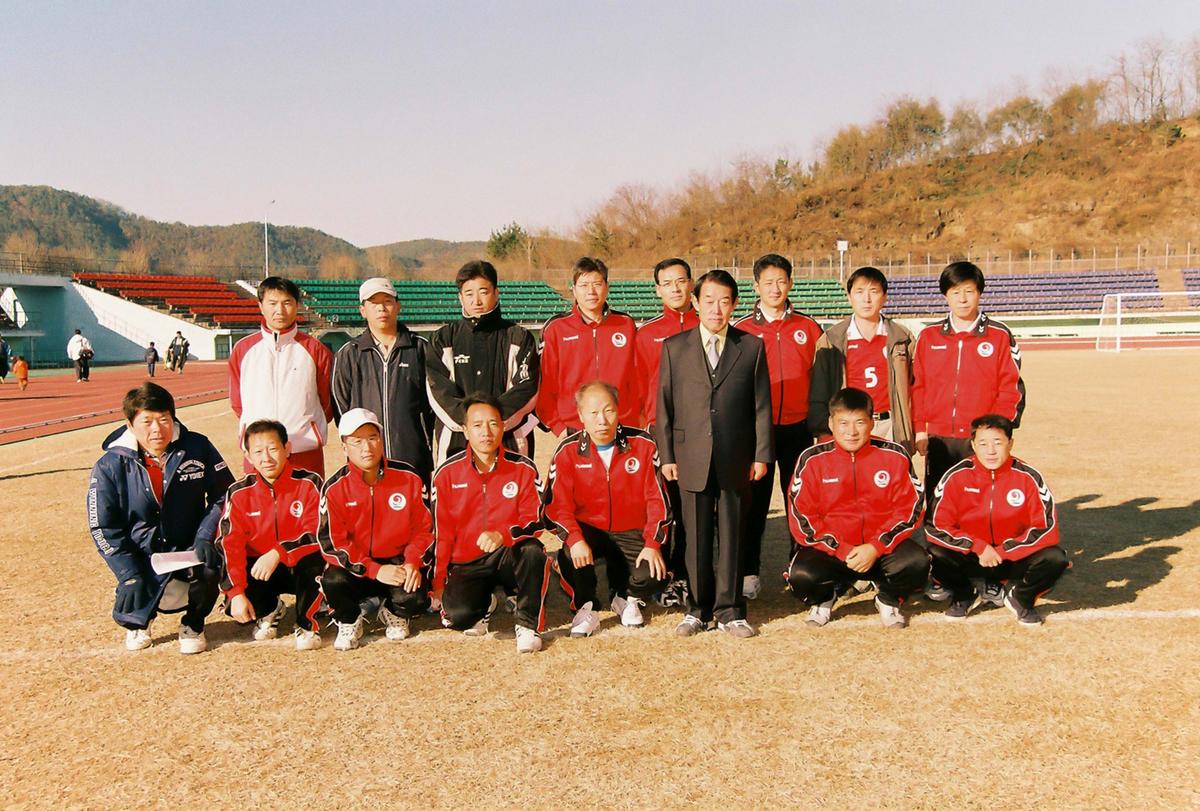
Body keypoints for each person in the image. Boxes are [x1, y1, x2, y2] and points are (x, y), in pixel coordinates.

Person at [656, 269, 772, 638]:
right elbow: (664, 407)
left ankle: (731, 608)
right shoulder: (674, 347)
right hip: (690, 456)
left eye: (724, 301)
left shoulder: (751, 347)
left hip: (736, 456)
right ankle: (698, 608)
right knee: (695, 537)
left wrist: (761, 455)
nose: (716, 309)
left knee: (733, 535)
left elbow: (761, 407)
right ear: (695, 302)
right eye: (709, 300)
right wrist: (668, 456)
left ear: (735, 304)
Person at [86, 383, 235, 653]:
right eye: (147, 421)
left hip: (188, 548)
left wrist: (205, 536)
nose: (157, 429)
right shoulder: (109, 465)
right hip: (142, 555)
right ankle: (138, 622)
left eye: (164, 419)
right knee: (134, 587)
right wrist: (127, 572)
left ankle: (194, 623)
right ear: (130, 424)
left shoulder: (197, 446)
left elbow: (224, 494)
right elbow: (103, 526)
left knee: (213, 562)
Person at [786, 387, 928, 628]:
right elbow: (802, 517)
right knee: (801, 577)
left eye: (859, 422)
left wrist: (875, 546)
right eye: (843, 423)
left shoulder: (894, 455)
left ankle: (888, 598)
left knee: (917, 563)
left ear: (871, 423)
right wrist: (841, 549)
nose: (851, 432)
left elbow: (910, 508)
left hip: (880, 553)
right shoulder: (812, 460)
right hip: (835, 553)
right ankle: (825, 598)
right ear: (831, 423)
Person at [542, 381, 671, 637]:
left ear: (618, 410)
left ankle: (626, 597)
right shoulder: (567, 452)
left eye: (608, 410)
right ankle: (586, 606)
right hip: (590, 532)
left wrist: (653, 544)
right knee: (570, 553)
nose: (602, 420)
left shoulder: (643, 445)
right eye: (593, 413)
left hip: (631, 529)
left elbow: (659, 501)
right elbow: (557, 507)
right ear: (580, 416)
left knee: (653, 573)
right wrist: (575, 539)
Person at [733, 254, 824, 600]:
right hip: (756, 431)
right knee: (753, 504)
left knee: (798, 501)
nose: (775, 288)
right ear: (755, 286)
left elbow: (820, 380)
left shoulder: (808, 327)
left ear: (791, 283)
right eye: (767, 282)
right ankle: (748, 572)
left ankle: (797, 567)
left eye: (781, 281)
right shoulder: (741, 330)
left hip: (799, 428)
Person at [430, 394, 549, 654]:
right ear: (465, 430)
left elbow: (536, 520)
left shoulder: (523, 468)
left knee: (532, 551)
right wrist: (438, 583)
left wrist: (504, 534)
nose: (486, 432)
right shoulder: (446, 474)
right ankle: (486, 603)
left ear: (503, 426)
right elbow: (442, 533)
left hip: (508, 553)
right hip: (467, 562)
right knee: (456, 617)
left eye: (493, 423)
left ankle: (527, 624)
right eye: (477, 425)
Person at [926, 414, 1068, 625]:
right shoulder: (956, 476)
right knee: (933, 553)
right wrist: (978, 546)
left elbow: (1047, 528)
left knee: (1056, 558)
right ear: (973, 445)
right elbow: (935, 526)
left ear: (1010, 443)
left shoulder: (1028, 477)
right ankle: (964, 594)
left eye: (998, 443)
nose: (990, 450)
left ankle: (1021, 597)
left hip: (1011, 557)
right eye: (983, 443)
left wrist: (1003, 551)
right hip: (973, 555)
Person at [912, 261, 1026, 506]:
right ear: (946, 295)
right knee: (938, 500)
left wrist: (996, 433)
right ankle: (937, 545)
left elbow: (1011, 388)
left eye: (969, 291)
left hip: (980, 438)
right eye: (955, 292)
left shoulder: (999, 335)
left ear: (980, 293)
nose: (962, 299)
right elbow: (918, 387)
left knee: (981, 501)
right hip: (939, 437)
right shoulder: (928, 336)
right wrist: (920, 428)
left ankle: (981, 545)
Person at [318, 408, 432, 651]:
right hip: (359, 567)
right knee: (333, 580)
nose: (366, 448)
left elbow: (424, 529)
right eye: (357, 441)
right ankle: (349, 619)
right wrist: (374, 569)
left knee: (416, 598)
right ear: (344, 447)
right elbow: (332, 543)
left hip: (398, 562)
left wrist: (412, 562)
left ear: (381, 440)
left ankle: (392, 610)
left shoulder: (409, 477)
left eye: (372, 438)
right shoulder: (334, 488)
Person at [217, 419, 326, 650]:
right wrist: (236, 593)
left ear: (287, 449)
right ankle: (269, 609)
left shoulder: (309, 482)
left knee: (314, 562)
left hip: (298, 564)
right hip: (261, 569)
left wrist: (279, 552)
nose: (266, 458)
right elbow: (229, 544)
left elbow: (317, 532)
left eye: (273, 449)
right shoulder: (238, 493)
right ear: (247, 455)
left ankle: (307, 624)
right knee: (232, 600)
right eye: (258, 451)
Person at [425, 260, 540, 467]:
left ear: (496, 293)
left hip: (509, 439)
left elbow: (527, 388)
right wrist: (472, 425)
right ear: (460, 297)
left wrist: (492, 424)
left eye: (483, 292)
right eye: (469, 293)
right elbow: (438, 391)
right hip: (456, 441)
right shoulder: (442, 339)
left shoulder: (519, 337)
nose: (476, 300)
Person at [634, 257, 699, 606]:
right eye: (667, 283)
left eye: (681, 281)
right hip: (662, 431)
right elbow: (639, 386)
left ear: (691, 283)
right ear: (658, 289)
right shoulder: (646, 334)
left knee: (696, 506)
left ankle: (689, 573)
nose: (675, 289)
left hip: (702, 431)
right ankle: (665, 576)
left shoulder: (709, 325)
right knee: (666, 504)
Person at [229, 276, 333, 477]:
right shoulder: (243, 349)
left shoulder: (315, 349)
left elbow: (326, 402)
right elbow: (238, 403)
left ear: (297, 305)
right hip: (259, 452)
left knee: (308, 507)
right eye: (272, 303)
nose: (280, 310)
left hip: (304, 450)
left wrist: (308, 429)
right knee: (260, 507)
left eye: (287, 303)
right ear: (260, 306)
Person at [332, 277, 434, 478]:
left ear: (398, 306)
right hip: (365, 459)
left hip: (413, 456)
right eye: (374, 303)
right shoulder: (349, 354)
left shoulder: (421, 348)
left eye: (387, 301)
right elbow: (341, 409)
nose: (381, 309)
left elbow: (432, 407)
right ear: (363, 310)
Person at [808, 267, 915, 450]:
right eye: (859, 291)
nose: (867, 299)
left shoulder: (902, 338)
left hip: (889, 424)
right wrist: (823, 430)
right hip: (849, 426)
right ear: (849, 297)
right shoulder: (832, 339)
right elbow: (819, 390)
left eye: (873, 291)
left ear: (884, 297)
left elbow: (915, 385)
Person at [537, 257, 640, 437]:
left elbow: (638, 378)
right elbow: (546, 384)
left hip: (622, 425)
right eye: (584, 285)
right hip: (574, 428)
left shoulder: (626, 325)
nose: (591, 291)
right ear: (574, 289)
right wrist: (558, 426)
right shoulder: (556, 329)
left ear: (607, 287)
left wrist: (638, 417)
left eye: (597, 284)